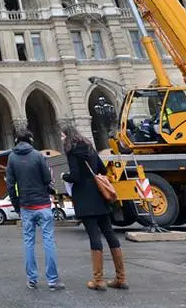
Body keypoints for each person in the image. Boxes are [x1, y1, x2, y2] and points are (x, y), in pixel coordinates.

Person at [61, 124, 128, 290]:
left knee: (94, 236)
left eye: (62, 136)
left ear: (67, 136)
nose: (62, 139)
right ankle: (121, 278)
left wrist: (64, 176)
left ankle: (98, 280)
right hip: (100, 197)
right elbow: (103, 170)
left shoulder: (72, 151)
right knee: (110, 234)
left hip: (84, 199)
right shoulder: (90, 148)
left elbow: (75, 176)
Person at [5, 130, 65, 291]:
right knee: (48, 241)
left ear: (16, 141)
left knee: (28, 242)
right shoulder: (38, 156)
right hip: (43, 205)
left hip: (26, 206)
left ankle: (32, 280)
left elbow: (10, 185)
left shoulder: (11, 158)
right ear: (31, 140)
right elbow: (47, 179)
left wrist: (17, 205)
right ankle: (52, 281)